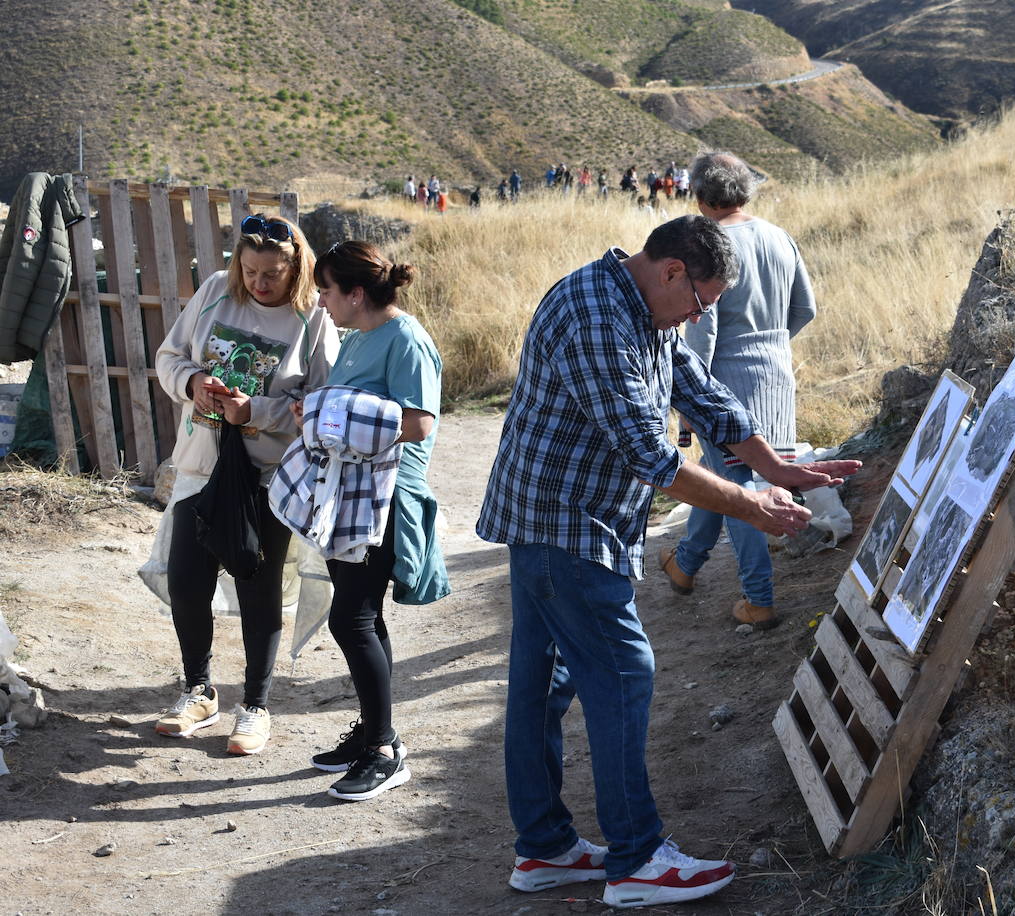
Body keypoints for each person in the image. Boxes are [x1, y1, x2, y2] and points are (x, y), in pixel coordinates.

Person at [477, 216, 859, 908]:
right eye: (700, 302)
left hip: (558, 523)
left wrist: (779, 468)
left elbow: (702, 391)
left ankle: (544, 848)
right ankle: (637, 861)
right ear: (671, 270)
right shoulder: (596, 316)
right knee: (624, 672)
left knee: (542, 684)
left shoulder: (646, 307)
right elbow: (652, 459)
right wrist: (753, 505)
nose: (699, 316)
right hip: (563, 526)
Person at [150, 214, 338, 755]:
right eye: (250, 270)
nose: (258, 283)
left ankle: (255, 705)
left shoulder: (314, 319)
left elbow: (320, 403)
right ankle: (198, 690)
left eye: (272, 274)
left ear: (295, 268)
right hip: (201, 468)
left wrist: (256, 410)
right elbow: (169, 357)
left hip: (267, 477)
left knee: (259, 592)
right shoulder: (214, 292)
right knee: (187, 583)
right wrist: (192, 383)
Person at [307, 241, 450, 801]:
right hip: (351, 496)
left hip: (386, 500)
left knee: (351, 620)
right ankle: (373, 733)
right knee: (363, 617)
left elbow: (419, 423)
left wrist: (332, 412)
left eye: (326, 290)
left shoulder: (406, 339)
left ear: (355, 293)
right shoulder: (360, 337)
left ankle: (386, 751)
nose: (320, 301)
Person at [660, 152, 817, 630]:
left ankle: (759, 599)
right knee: (727, 472)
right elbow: (804, 309)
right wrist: (770, 344)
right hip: (776, 373)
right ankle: (686, 564)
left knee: (742, 486)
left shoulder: (708, 246)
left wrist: (690, 401)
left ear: (702, 198)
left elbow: (700, 331)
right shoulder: (778, 237)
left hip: (723, 377)